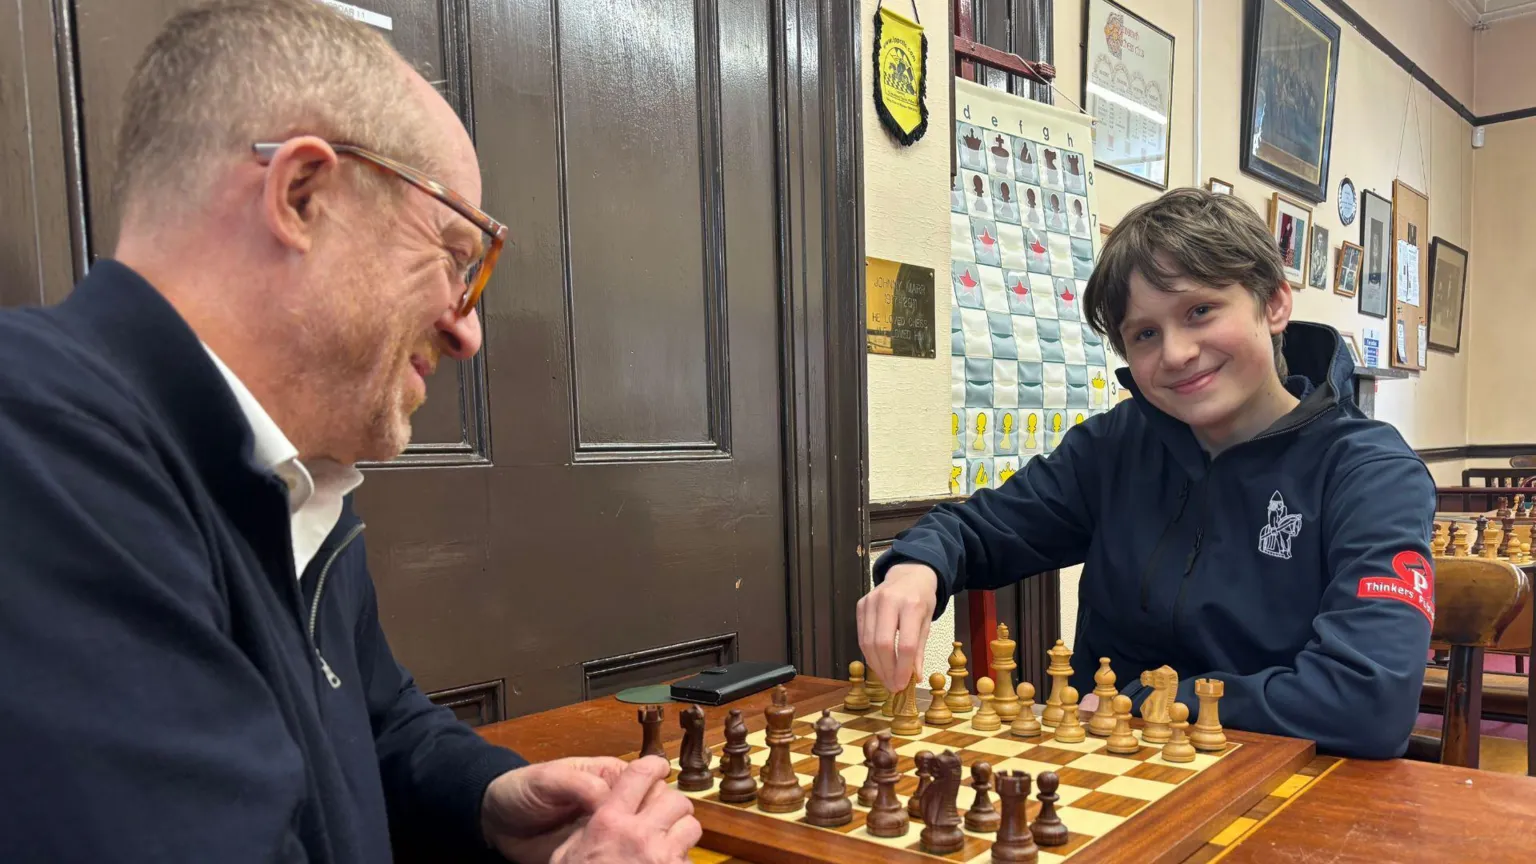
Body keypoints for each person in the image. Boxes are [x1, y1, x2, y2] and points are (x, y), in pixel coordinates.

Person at [0, 2, 699, 861]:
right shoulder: (38, 452)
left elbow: (376, 722)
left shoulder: (294, 473)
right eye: (455, 254)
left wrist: (482, 796)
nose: (467, 328)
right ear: (302, 195)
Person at [858, 188, 1436, 760]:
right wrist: (916, 566)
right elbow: (977, 529)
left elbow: (1370, 703)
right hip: (1102, 777)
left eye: (1200, 311)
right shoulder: (1115, 445)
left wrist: (1151, 702)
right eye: (1145, 334)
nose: (1176, 353)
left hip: (1289, 788)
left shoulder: (1370, 473)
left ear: (1274, 304)